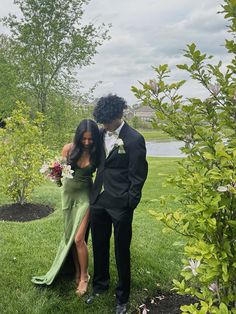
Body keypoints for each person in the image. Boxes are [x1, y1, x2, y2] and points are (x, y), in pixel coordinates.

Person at [86, 94, 148, 314]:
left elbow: (138, 174)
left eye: (107, 121)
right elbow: (95, 163)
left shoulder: (134, 139)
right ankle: (100, 287)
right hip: (99, 201)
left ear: (119, 115)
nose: (104, 125)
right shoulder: (100, 133)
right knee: (99, 245)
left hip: (121, 204)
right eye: (101, 121)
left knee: (122, 250)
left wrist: (130, 201)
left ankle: (122, 297)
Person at [32, 119, 100, 296]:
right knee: (71, 238)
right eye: (84, 139)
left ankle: (84, 277)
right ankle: (76, 272)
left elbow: (103, 176)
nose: (87, 142)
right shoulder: (68, 149)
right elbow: (60, 175)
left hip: (86, 197)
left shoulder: (96, 151)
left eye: (90, 139)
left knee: (79, 239)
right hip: (69, 196)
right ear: (78, 137)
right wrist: (54, 173)